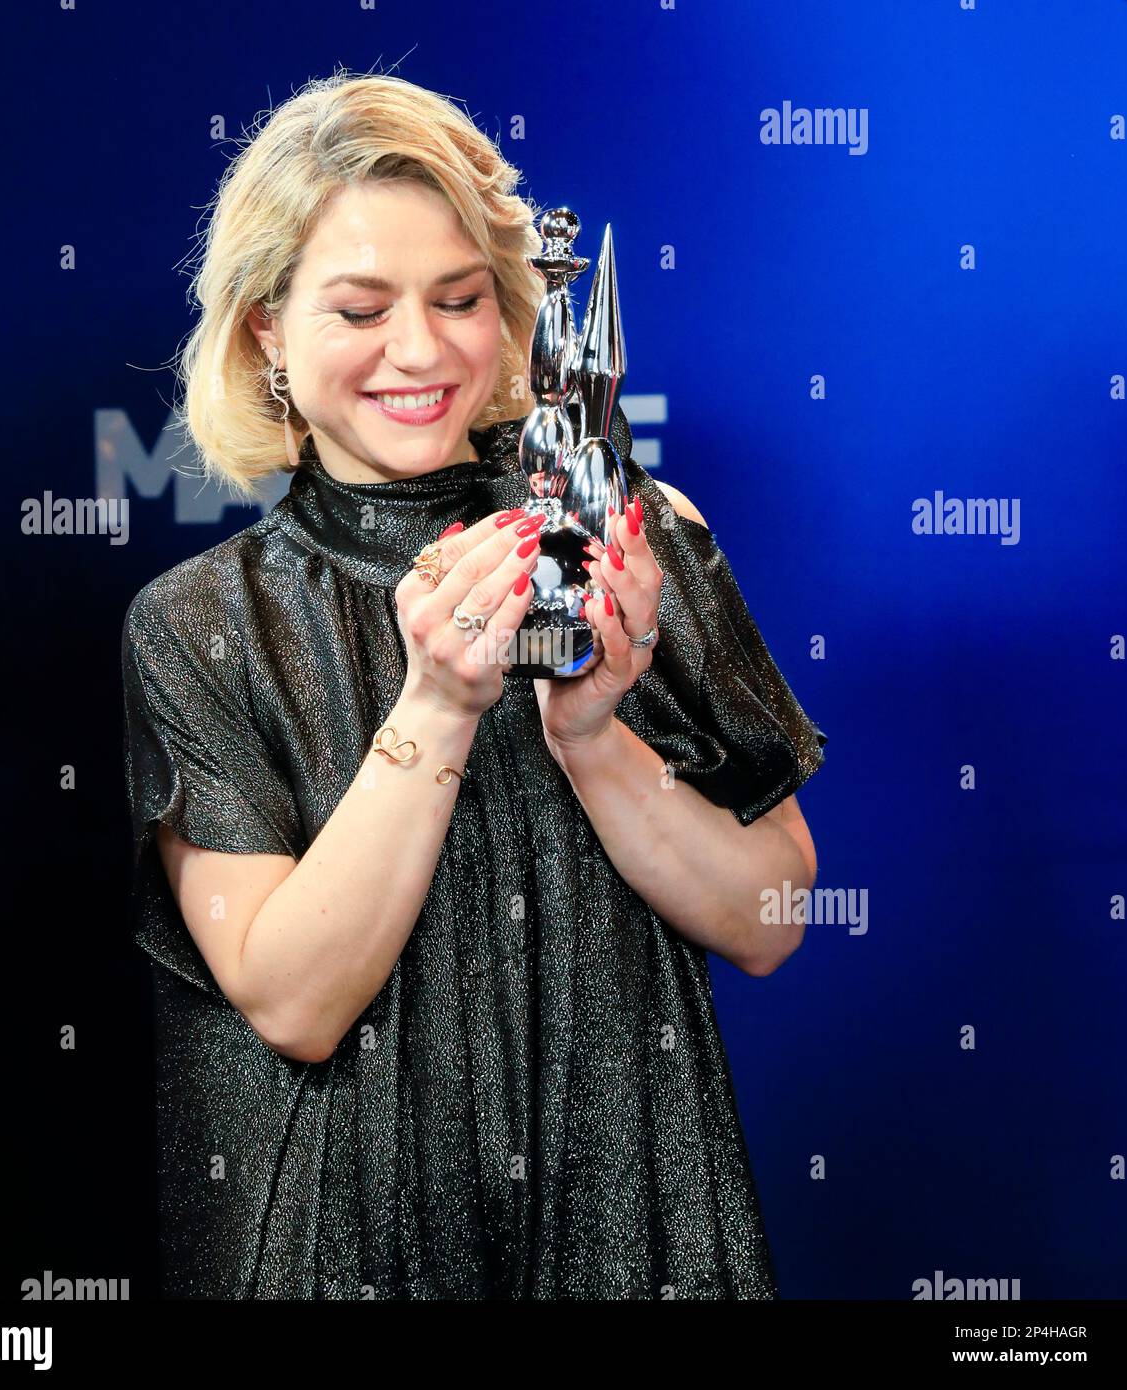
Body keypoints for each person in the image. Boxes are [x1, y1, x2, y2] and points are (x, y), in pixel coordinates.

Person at [121, 70, 828, 1300]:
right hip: (348, 1233)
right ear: (266, 333)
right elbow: (292, 1000)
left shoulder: (631, 538)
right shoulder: (201, 623)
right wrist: (437, 705)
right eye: (359, 308)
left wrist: (596, 735)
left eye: (460, 299)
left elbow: (772, 919)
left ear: (511, 310)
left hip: (631, 1215)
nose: (421, 349)